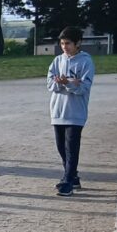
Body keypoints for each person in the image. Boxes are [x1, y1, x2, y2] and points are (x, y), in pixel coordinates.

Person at [47, 26, 95, 197]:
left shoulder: (86, 61)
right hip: (58, 111)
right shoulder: (57, 61)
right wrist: (64, 82)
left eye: (68, 43)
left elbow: (83, 87)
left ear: (78, 43)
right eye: (62, 43)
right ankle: (73, 177)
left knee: (71, 148)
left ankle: (67, 182)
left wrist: (68, 83)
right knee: (61, 147)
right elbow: (50, 84)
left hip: (75, 113)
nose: (64, 47)